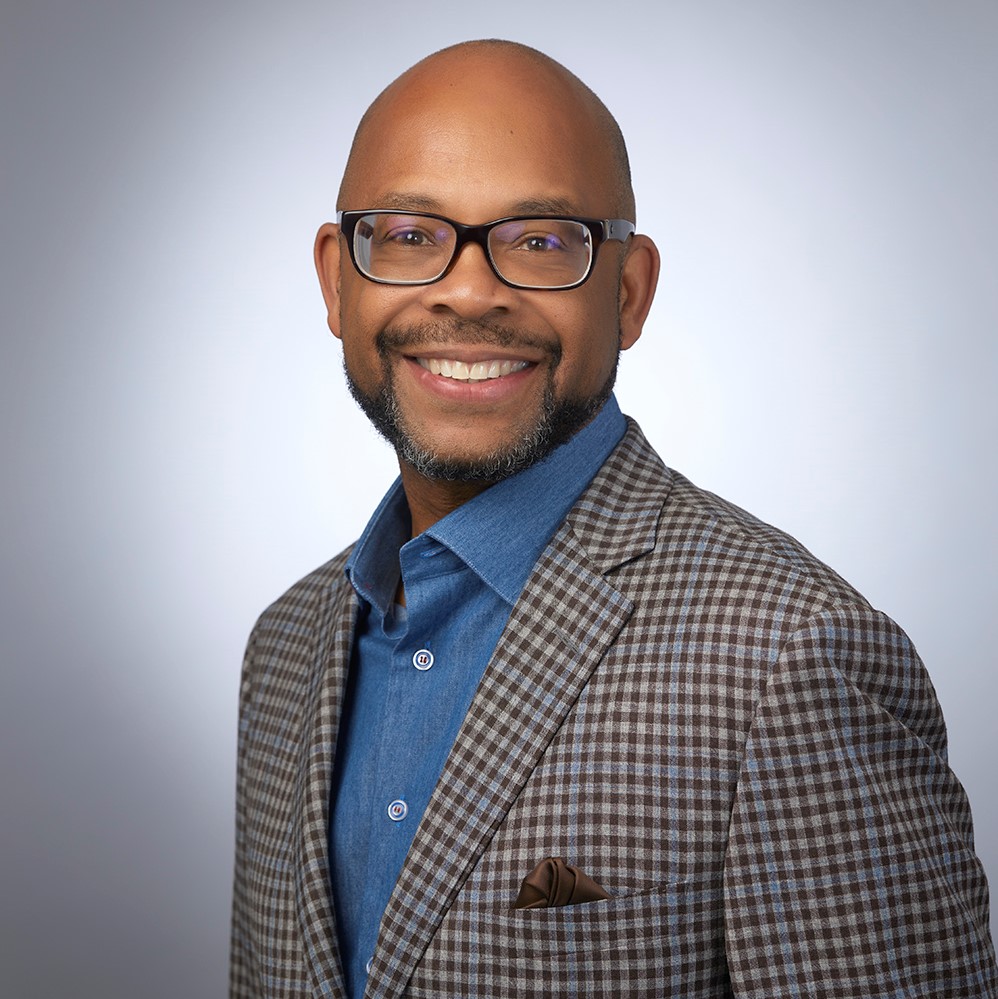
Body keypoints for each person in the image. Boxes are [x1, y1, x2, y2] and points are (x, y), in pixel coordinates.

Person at [230, 39, 997, 999]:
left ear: (627, 292)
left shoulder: (791, 654)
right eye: (410, 233)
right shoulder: (285, 646)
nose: (469, 289)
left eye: (542, 239)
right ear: (337, 280)